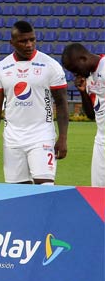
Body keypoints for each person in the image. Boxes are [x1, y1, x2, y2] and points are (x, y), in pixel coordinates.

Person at [0, 20, 68, 184]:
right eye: (23, 41)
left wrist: (63, 138)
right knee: (18, 194)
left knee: (45, 187)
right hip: (12, 139)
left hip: (42, 135)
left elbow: (61, 103)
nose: (29, 44)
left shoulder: (50, 65)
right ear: (12, 42)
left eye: (32, 39)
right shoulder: (1, 68)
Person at [61, 43, 104, 187]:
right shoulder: (90, 77)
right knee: (98, 191)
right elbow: (92, 114)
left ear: (83, 59)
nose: (75, 74)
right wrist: (82, 92)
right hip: (101, 141)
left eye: (75, 69)